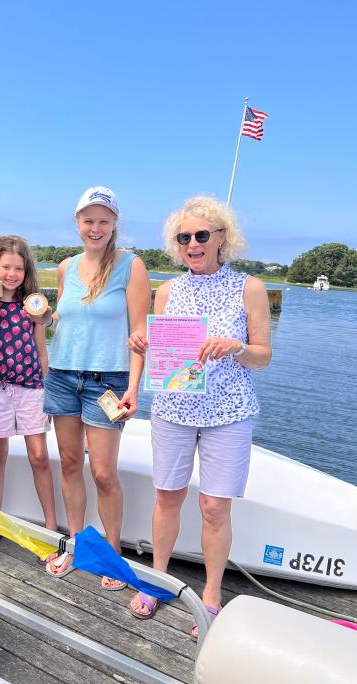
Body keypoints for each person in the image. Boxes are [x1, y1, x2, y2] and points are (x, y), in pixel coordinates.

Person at [126, 195, 272, 639]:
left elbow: (263, 356)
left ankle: (210, 596)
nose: (192, 243)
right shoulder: (168, 291)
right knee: (167, 497)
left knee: (213, 506)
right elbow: (164, 349)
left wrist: (236, 347)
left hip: (228, 411)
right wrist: (142, 344)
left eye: (201, 235)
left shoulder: (250, 287)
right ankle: (157, 579)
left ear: (222, 238)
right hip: (174, 406)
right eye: (184, 237)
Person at [43, 187, 150, 590]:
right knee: (70, 465)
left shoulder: (132, 266)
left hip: (107, 382)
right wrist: (40, 317)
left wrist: (135, 388)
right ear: (77, 223)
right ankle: (75, 543)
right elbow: (62, 319)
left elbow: (139, 334)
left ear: (114, 224)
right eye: (88, 220)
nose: (96, 227)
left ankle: (113, 555)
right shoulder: (66, 267)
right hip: (63, 377)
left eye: (103, 220)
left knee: (104, 473)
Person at [0, 235, 57, 553]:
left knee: (39, 456)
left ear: (26, 271)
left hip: (30, 388)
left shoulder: (32, 304)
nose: (11, 274)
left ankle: (50, 527)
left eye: (18, 268)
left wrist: (46, 383)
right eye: (6, 267)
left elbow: (41, 348)